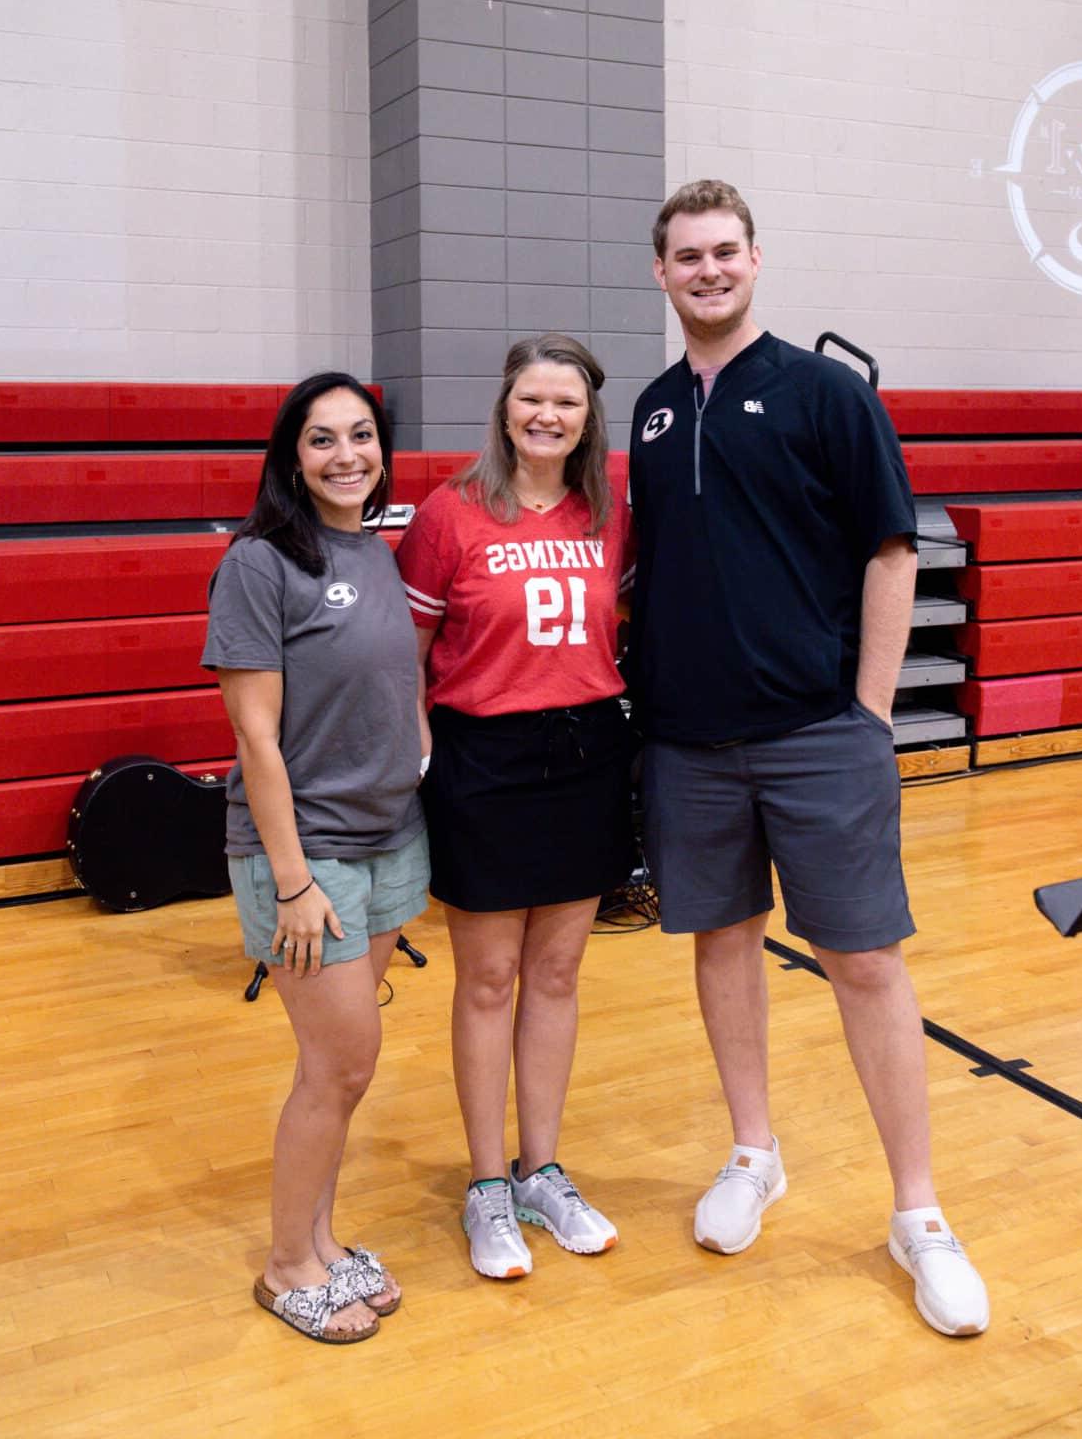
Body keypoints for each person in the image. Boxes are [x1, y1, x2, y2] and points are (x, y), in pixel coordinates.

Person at [626, 180, 989, 1339]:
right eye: (686, 257)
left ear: (755, 260)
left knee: (865, 965)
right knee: (721, 945)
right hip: (686, 742)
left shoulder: (825, 393)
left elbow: (893, 551)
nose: (706, 270)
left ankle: (918, 1215)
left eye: (723, 252)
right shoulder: (645, 412)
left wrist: (871, 715)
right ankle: (753, 1151)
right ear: (660, 273)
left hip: (815, 737)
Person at [395, 333, 634, 1281]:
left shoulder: (609, 516)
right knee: (489, 980)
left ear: (588, 417)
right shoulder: (449, 515)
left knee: (561, 973)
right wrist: (420, 759)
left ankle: (544, 1169)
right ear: (504, 407)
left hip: (585, 753)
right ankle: (486, 1185)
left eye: (566, 403)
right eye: (532, 398)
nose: (547, 416)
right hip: (482, 758)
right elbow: (404, 656)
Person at [201, 371, 429, 1345]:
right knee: (339, 1067)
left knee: (340, 1068)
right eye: (323, 440)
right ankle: (285, 1264)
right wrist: (291, 883)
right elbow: (255, 737)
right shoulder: (260, 563)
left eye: (361, 436)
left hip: (390, 844)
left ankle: (324, 1242)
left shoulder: (372, 550)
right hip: (308, 858)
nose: (347, 456)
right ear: (290, 457)